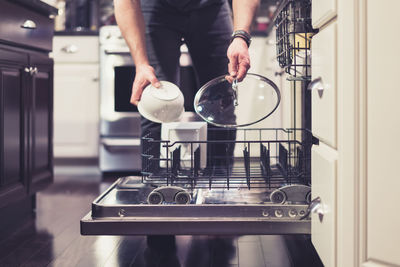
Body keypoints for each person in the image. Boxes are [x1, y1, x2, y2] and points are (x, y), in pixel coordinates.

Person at [114, 0, 259, 169]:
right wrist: (141, 64)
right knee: (156, 101)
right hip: (156, 9)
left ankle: (220, 183)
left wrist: (240, 37)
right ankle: (155, 186)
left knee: (220, 102)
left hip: (211, 8)